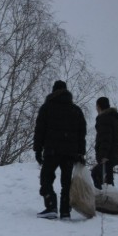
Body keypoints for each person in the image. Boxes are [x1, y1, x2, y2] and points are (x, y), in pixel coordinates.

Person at [33, 80, 87, 219]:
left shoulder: (47, 108)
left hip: (52, 151)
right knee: (67, 182)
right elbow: (82, 133)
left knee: (46, 178)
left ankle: (51, 205)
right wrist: (81, 153)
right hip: (70, 153)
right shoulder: (75, 110)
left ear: (53, 91)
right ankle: (65, 211)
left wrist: (37, 150)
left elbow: (40, 130)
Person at [91, 96, 118, 189]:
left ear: (99, 106)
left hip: (108, 155)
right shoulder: (114, 118)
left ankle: (104, 195)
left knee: (97, 174)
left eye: (96, 106)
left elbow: (105, 138)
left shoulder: (104, 119)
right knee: (107, 178)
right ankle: (108, 194)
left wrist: (103, 155)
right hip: (114, 154)